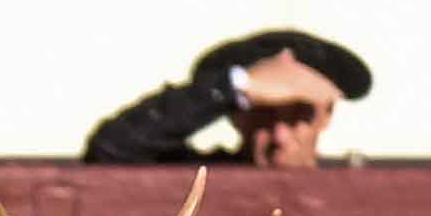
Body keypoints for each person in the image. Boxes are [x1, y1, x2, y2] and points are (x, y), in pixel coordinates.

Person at [84, 30, 370, 168]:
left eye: (298, 117)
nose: (280, 137)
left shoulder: (359, 189)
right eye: (263, 114)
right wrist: (234, 86)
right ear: (236, 116)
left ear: (326, 116)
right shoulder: (202, 179)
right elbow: (112, 150)